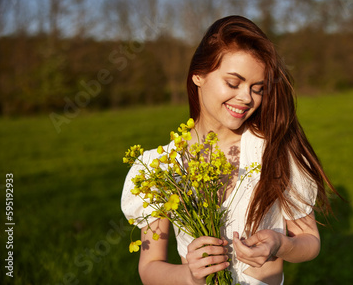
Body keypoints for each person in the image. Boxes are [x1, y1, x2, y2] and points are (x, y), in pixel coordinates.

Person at [121, 15, 337, 285]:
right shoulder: (158, 168)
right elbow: (150, 268)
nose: (247, 98)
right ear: (198, 75)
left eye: (257, 89)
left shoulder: (275, 151)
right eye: (233, 83)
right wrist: (190, 276)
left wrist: (279, 244)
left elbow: (310, 242)